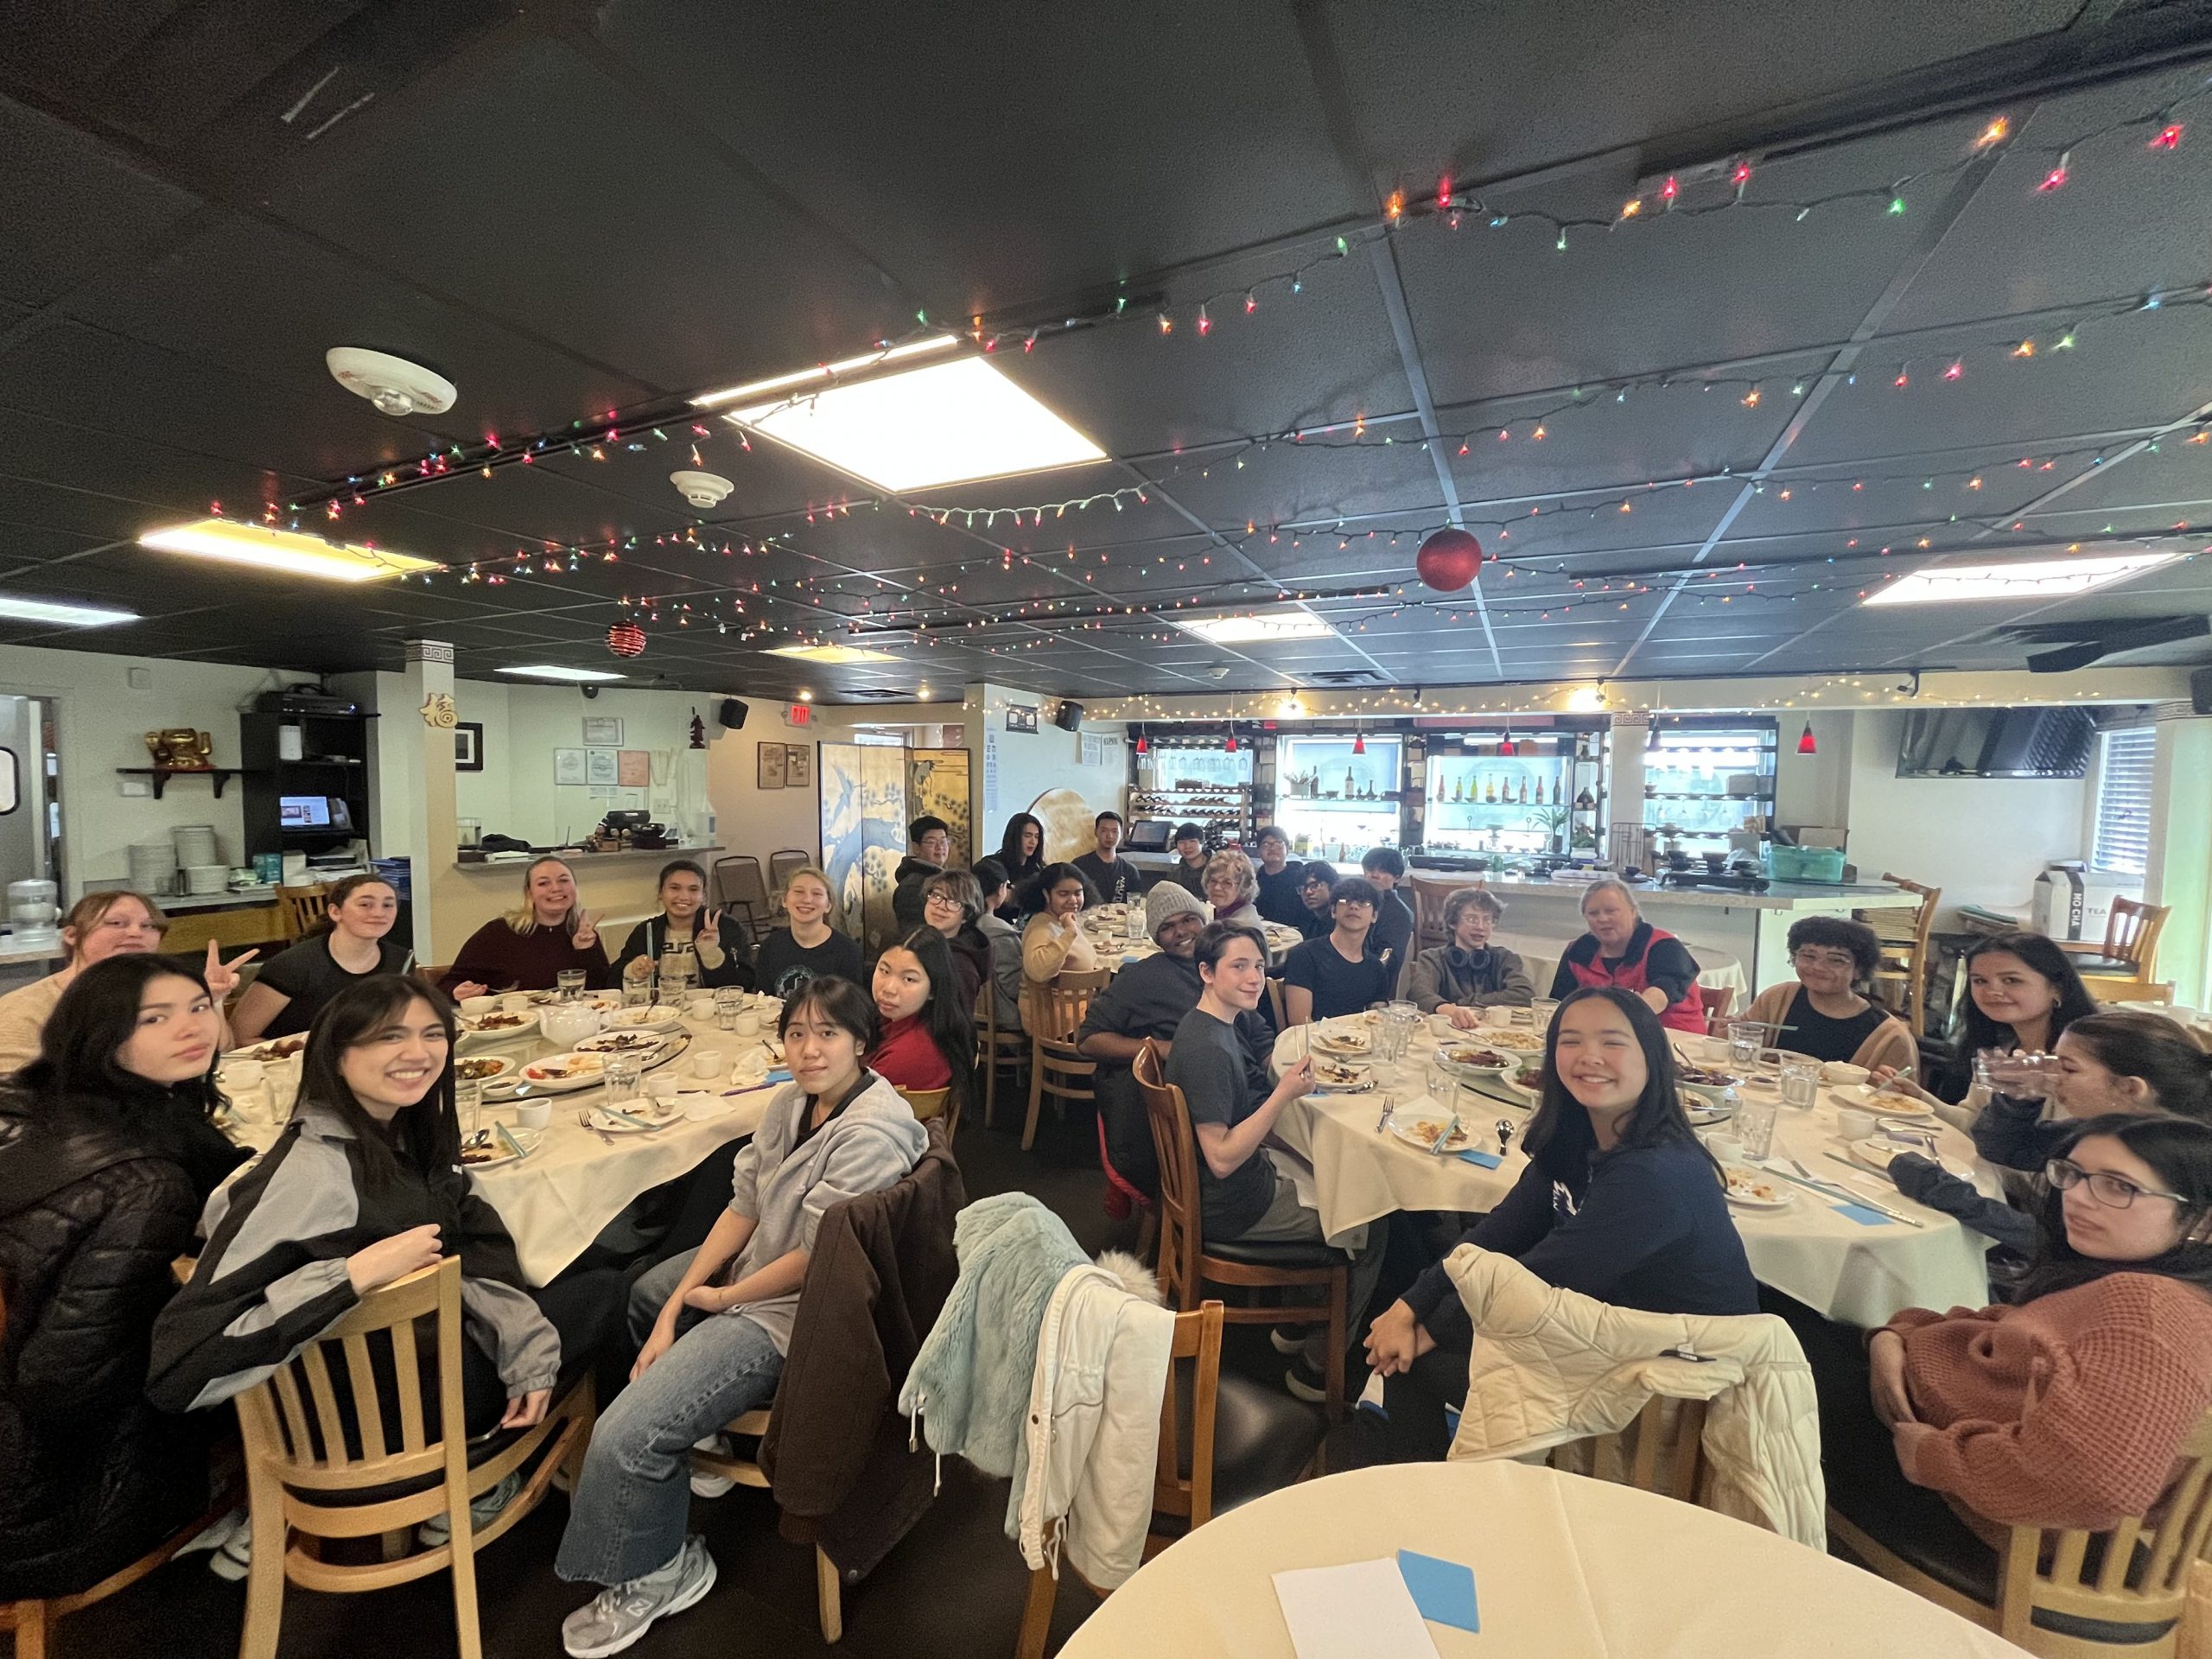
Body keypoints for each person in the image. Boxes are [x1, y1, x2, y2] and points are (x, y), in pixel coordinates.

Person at [148, 978, 626, 1546]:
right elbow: (178, 1369)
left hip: (404, 1376)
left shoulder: (394, 1136)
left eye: (432, 1034)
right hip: (377, 1419)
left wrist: (522, 1340)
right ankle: (591, 1496)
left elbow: (468, 1238)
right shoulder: (310, 1174)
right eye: (388, 1037)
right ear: (337, 1055)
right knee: (615, 1284)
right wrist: (354, 1274)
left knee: (578, 1272)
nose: (418, 1052)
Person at [554, 977, 927, 1656]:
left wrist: (724, 1299)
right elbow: (745, 1206)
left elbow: (821, 1257)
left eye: (828, 1035)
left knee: (624, 1436)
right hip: (762, 1261)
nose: (809, 1049)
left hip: (802, 1312)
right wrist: (674, 1305)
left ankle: (664, 1570)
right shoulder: (792, 1101)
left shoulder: (872, 1131)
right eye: (796, 1034)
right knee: (642, 1293)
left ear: (861, 1045)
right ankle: (706, 1433)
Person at [1358, 988, 1758, 1461]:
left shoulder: (1656, 1175)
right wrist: (1409, 1305)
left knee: (1408, 1369)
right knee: (1407, 1347)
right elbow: (1499, 1233)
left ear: (1652, 1057)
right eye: (1570, 1041)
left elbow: (1539, 1279)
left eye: (1612, 1041)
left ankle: (1442, 1521)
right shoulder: (1580, 1134)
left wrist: (1426, 1330)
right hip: (1597, 1323)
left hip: (1669, 1374)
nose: (1589, 1056)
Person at [1801, 1116, 2212, 1550]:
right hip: (1927, 1414)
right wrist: (1895, 1336)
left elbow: (2099, 1482)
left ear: (2201, 1221)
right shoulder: (2129, 1278)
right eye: (2072, 1175)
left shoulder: (2150, 1310)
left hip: (1968, 1509)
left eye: (2118, 1187)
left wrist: (1933, 1457)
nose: (2077, 1197)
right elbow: (2008, 1326)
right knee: (1789, 1331)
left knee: (1769, 1337)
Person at [0, 957, 250, 1599]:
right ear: (100, 1032)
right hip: (53, 1496)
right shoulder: (145, 1183)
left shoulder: (26, 1104)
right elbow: (61, 1381)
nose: (192, 1029)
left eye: (199, 1007)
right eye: (154, 1018)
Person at [1165, 922, 1386, 1401]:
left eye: (1259, 967)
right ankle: (1315, 1368)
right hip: (1235, 1203)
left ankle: (1297, 1326)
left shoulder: (1212, 1025)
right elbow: (1221, 1159)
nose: (1253, 978)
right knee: (1371, 1222)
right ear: (1206, 972)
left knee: (1330, 1177)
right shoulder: (1207, 1050)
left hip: (1235, 1187)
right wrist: (1284, 1094)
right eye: (1238, 966)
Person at [1889, 1010, 2212, 1270]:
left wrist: (1941, 1191)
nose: (2053, 1077)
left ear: (2130, 1089)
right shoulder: (2111, 1131)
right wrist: (2019, 1096)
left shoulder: (2182, 1161)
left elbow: (2058, 1240)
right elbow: (2005, 1149)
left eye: (2067, 1069)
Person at [1077, 884, 1267, 1204]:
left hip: (1246, 1085)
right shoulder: (1143, 978)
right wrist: (1160, 1048)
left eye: (1188, 920)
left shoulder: (1224, 966)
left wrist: (1274, 1061)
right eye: (1167, 927)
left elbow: (1257, 1030)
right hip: (1219, 1110)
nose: (1181, 932)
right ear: (1156, 937)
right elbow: (1088, 1040)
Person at [0, 891, 252, 1074]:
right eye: (116, 923)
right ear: (72, 935)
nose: (135, 933)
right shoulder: (23, 1011)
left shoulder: (161, 996)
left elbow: (224, 1055)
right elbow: (15, 1106)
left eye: (148, 926)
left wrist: (212, 1001)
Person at [1875, 931, 2099, 1118]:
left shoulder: (2079, 1062)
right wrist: (1918, 1098)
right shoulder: (2001, 1049)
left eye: (2011, 980)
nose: (1992, 991)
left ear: (2057, 988)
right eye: (1980, 981)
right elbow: (1973, 1122)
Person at [230, 874, 410, 1042]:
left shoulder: (403, 961)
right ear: (335, 912)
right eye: (365, 905)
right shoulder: (293, 965)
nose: (379, 913)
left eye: (388, 905)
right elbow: (240, 1037)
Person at [1736, 917, 1914, 1071]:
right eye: (1808, 956)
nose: (1818, 967)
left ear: (1859, 969)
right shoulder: (1777, 997)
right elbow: (1741, 1054)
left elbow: (1899, 1102)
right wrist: (1729, 1035)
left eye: (1836, 960)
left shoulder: (1888, 1035)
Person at [1548, 878, 1706, 1033]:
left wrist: (1634, 1008)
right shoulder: (1577, 952)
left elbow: (1662, 992)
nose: (1602, 919)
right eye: (1593, 913)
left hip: (1676, 1039)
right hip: (1607, 1039)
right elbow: (1559, 1003)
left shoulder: (1664, 946)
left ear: (1633, 912)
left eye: (1611, 911)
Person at [440, 857, 611, 996]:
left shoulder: (583, 933)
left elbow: (602, 991)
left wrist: (586, 952)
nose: (556, 888)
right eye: (543, 883)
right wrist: (458, 991)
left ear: (575, 887)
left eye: (564, 880)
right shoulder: (499, 932)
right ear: (529, 893)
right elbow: (448, 983)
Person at [867, 928, 976, 1123]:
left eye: (908, 979)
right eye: (884, 970)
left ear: (933, 990)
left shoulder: (907, 1055)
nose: (889, 989)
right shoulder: (929, 1022)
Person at [610, 860, 752, 991]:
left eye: (693, 889)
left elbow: (745, 984)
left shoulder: (726, 927)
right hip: (660, 1012)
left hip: (709, 1012)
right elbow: (611, 982)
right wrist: (633, 970)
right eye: (675, 888)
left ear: (704, 896)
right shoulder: (647, 931)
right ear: (661, 892)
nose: (684, 896)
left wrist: (711, 955)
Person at [1280, 876, 1399, 1025]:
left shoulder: (1376, 968)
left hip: (1359, 1043)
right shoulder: (1304, 955)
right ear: (1333, 911)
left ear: (1374, 915)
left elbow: (1378, 1019)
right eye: (1345, 901)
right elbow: (1300, 1024)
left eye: (1364, 903)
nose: (1354, 906)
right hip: (1313, 1043)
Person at [1406, 887, 1534, 1025]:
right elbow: (1419, 993)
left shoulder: (1506, 958)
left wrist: (1465, 1004)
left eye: (1487, 920)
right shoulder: (1431, 958)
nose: (1481, 927)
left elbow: (1524, 993)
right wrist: (1445, 1008)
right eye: (1472, 919)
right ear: (1452, 922)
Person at [752, 865, 864, 1000]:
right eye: (799, 892)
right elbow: (763, 1001)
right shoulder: (771, 946)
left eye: (817, 894)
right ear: (784, 900)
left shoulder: (848, 952)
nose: (806, 900)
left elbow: (851, 1010)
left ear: (828, 905)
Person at [919, 868, 992, 1011]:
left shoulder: (961, 966)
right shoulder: (920, 942)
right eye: (936, 895)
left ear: (967, 915)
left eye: (953, 901)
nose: (941, 906)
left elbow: (957, 1027)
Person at [969, 858, 1025, 1036]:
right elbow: (1014, 986)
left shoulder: (963, 923)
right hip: (1005, 1017)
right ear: (1001, 888)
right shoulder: (1000, 933)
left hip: (971, 1012)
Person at [1020, 862, 1102, 983]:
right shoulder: (1041, 927)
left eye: (1078, 893)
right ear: (1046, 895)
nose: (1073, 900)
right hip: (1060, 1002)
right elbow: (1038, 972)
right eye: (1063, 894)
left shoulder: (1062, 920)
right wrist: (1070, 931)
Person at [1071, 810, 1146, 905]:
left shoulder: (1130, 870)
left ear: (1121, 835)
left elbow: (1135, 905)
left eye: (1115, 831)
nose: (1109, 836)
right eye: (1104, 830)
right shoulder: (1079, 866)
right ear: (1096, 832)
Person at [891, 817, 951, 933]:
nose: (940, 847)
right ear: (916, 848)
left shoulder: (940, 878)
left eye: (943, 841)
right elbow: (917, 932)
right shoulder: (913, 886)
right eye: (931, 842)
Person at [1359, 848, 1415, 968]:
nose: (1374, 875)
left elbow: (1388, 959)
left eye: (1383, 871)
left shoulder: (1399, 914)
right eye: (1370, 869)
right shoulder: (1356, 903)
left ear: (1397, 877)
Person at [994, 812, 1048, 918]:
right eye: (1028, 836)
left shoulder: (1038, 869)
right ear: (1014, 836)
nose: (1033, 842)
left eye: (1037, 837)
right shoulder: (994, 866)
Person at [1252, 827, 1306, 927]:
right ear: (1258, 852)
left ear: (1287, 849)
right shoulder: (1254, 880)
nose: (1272, 848)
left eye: (1278, 843)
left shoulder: (1301, 878)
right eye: (1266, 844)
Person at [1202, 849, 1263, 927]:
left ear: (1244, 887)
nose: (1217, 887)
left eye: (1227, 883)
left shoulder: (1239, 925)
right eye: (1213, 881)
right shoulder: (1227, 913)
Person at [1294, 861, 1339, 940]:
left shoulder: (1340, 922)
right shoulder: (1309, 919)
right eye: (1302, 888)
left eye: (1314, 886)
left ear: (1332, 886)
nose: (1308, 892)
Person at [1165, 824, 1210, 899]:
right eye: (1182, 842)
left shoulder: (1216, 868)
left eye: (1192, 841)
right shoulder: (1176, 873)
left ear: (1202, 843)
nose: (1187, 846)